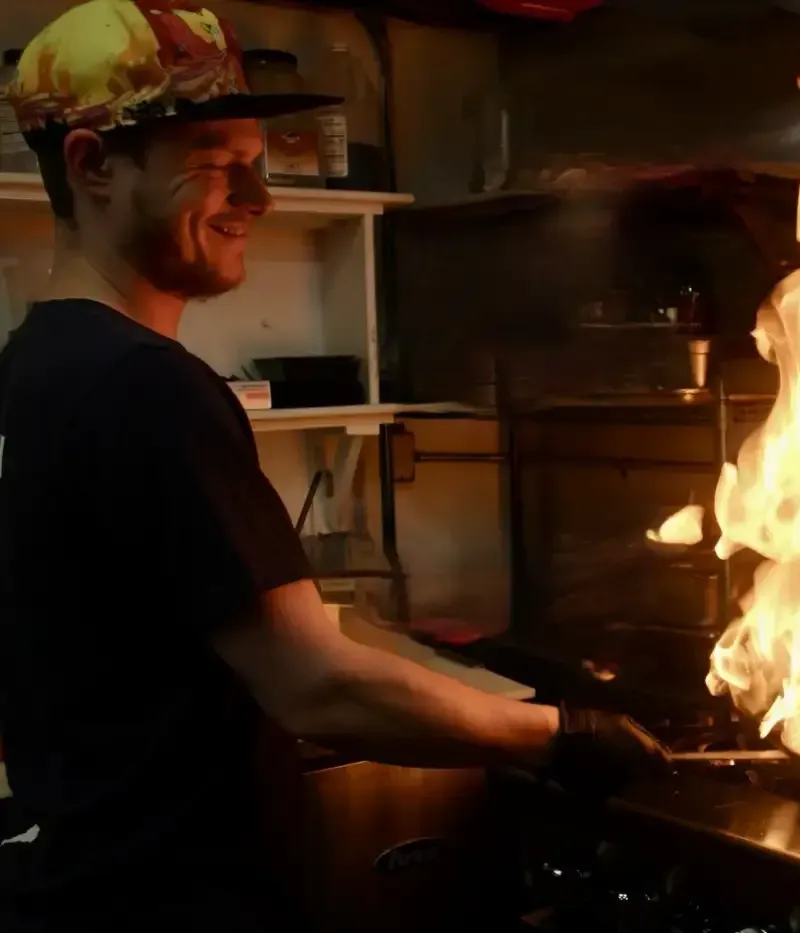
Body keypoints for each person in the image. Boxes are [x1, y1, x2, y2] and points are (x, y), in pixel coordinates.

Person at [0, 2, 667, 931]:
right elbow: (317, 683)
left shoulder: (35, 359)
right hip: (165, 904)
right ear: (92, 164)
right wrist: (558, 735)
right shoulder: (145, 388)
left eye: (258, 162)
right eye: (218, 166)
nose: (259, 198)